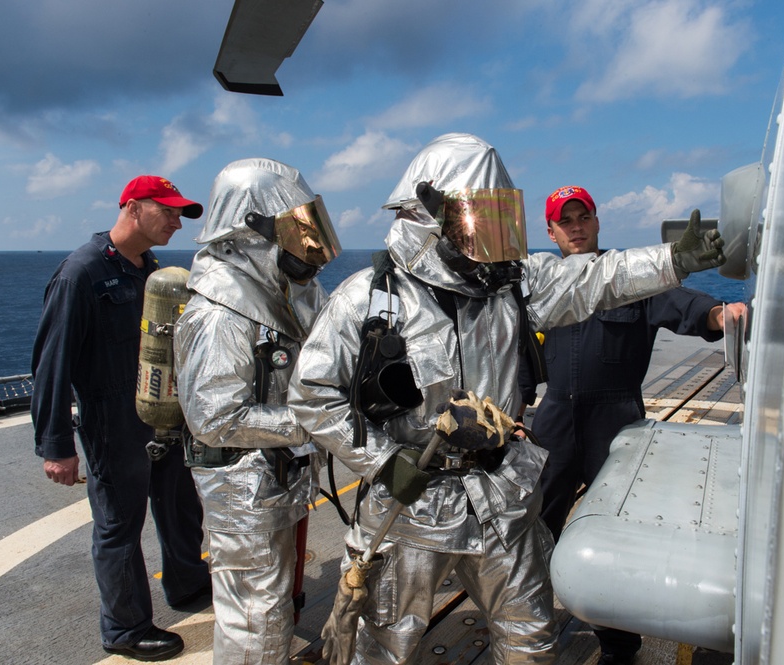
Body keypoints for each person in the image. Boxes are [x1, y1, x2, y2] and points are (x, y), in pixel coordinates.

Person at [288, 133, 725, 665]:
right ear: (431, 214)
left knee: (532, 637)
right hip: (410, 506)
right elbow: (311, 394)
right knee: (380, 647)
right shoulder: (368, 299)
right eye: (480, 219)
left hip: (500, 496)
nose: (493, 238)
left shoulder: (510, 286)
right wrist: (381, 461)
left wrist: (675, 260)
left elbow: (599, 278)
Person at [518, 185, 746, 665]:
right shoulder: (541, 284)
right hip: (553, 421)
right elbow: (516, 356)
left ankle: (619, 648)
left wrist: (720, 313)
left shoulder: (628, 278)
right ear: (550, 231)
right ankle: (530, 622)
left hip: (616, 423)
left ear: (598, 222)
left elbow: (683, 303)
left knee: (615, 543)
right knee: (535, 529)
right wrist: (513, 416)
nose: (575, 227)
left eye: (583, 217)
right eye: (565, 220)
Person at [31, 175, 211, 661]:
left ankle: (188, 585)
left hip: (163, 415)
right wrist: (56, 445)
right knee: (118, 527)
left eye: (179, 214)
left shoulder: (151, 270)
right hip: (113, 423)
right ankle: (125, 627)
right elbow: (53, 361)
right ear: (133, 209)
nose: (177, 221)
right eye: (168, 211)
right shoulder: (81, 273)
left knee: (180, 508)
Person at [174, 158, 340, 664]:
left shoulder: (277, 294)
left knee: (271, 612)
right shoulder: (219, 311)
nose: (307, 245)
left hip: (271, 482)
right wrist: (315, 419)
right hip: (241, 493)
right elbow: (215, 417)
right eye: (296, 229)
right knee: (255, 619)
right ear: (250, 231)